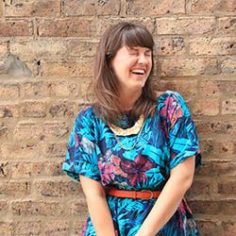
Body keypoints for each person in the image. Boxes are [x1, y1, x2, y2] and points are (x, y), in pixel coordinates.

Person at [62, 22, 202, 236]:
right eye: (134, 53)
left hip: (165, 225)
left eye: (148, 53)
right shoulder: (89, 121)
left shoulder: (169, 108)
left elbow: (182, 177)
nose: (144, 61)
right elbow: (94, 194)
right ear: (109, 61)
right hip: (109, 228)